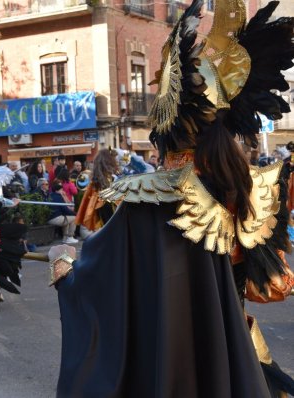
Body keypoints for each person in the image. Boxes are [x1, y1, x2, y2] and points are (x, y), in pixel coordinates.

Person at [49, 1, 294, 396]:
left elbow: (102, 285)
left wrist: (63, 263)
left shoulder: (150, 197)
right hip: (235, 355)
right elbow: (271, 285)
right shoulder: (250, 189)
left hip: (172, 362)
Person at [75, 148, 118, 237]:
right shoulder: (101, 182)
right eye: (114, 159)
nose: (116, 162)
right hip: (108, 218)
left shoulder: (106, 179)